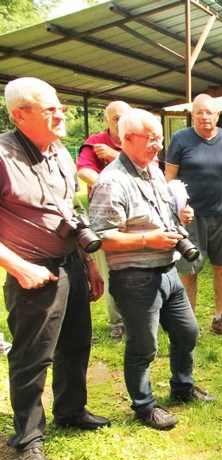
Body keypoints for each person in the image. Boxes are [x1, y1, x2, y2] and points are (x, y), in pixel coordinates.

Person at [0, 77, 110, 460]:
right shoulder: (3, 155)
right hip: (33, 271)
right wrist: (17, 266)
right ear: (20, 115)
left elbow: (69, 210)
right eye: (50, 109)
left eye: (60, 106)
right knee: (32, 357)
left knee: (76, 343)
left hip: (72, 264)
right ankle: (28, 438)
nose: (61, 114)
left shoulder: (60, 151)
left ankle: (70, 410)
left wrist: (89, 263)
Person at [89, 108, 215, 431]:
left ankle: (183, 387)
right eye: (152, 138)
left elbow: (161, 213)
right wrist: (150, 239)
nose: (159, 145)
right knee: (144, 346)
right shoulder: (111, 181)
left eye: (160, 137)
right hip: (134, 277)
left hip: (167, 271)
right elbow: (101, 237)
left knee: (188, 331)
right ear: (127, 139)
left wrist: (178, 217)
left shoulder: (153, 171)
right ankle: (144, 406)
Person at [165, 93, 222, 338]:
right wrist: (177, 208)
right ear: (193, 115)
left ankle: (220, 318)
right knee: (189, 271)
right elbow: (169, 179)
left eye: (209, 112)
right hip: (191, 217)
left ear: (217, 115)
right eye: (199, 112)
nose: (204, 117)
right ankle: (189, 323)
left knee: (221, 268)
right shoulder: (180, 139)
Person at [77, 100, 132, 340]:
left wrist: (114, 156)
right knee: (110, 269)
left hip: (135, 216)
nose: (120, 123)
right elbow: (84, 171)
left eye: (125, 118)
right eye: (116, 118)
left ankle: (138, 315)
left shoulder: (136, 139)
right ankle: (117, 321)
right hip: (107, 216)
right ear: (106, 120)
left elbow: (151, 168)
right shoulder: (94, 142)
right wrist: (114, 187)